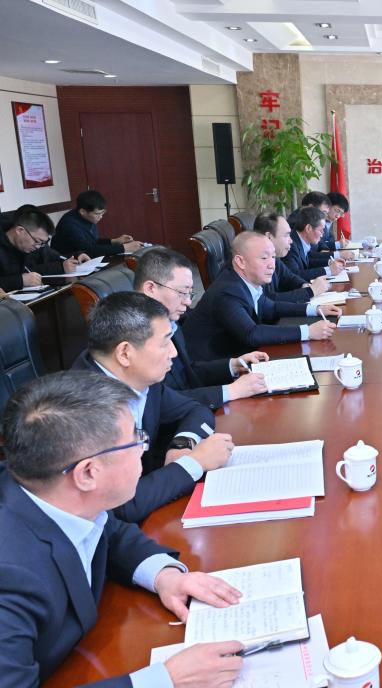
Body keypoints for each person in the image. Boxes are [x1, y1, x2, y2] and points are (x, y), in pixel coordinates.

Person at [0, 371, 244, 686]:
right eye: (134, 440)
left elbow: (107, 530)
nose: (144, 448)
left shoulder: (53, 495)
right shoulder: (11, 577)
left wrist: (165, 576)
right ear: (88, 473)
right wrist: (166, 680)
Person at [71, 292, 235, 522]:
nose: (174, 353)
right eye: (165, 342)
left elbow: (196, 410)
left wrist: (182, 445)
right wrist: (194, 463)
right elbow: (119, 507)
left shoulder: (140, 377)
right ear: (125, 353)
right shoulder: (82, 409)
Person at [134, 248, 269, 409]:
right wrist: (231, 391)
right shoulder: (133, 337)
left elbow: (188, 372)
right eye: (182, 292)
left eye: (190, 293)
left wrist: (233, 365)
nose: (188, 302)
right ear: (150, 288)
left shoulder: (171, 321)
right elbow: (160, 403)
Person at [184, 231, 340, 360]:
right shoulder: (228, 291)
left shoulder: (247, 282)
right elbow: (252, 333)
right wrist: (308, 332)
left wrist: (315, 309)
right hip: (211, 367)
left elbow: (272, 307)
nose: (272, 265)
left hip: (240, 355)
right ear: (240, 262)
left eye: (273, 257)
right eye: (264, 258)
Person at [0, 205, 89, 291]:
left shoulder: (31, 243)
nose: (38, 246)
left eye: (43, 243)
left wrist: (76, 256)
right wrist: (20, 280)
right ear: (20, 230)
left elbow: (54, 257)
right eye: (37, 241)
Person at [254, 212, 327, 302]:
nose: (291, 241)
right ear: (269, 237)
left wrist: (305, 285)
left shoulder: (275, 258)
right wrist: (310, 291)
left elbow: (290, 278)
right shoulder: (255, 263)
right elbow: (267, 301)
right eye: (286, 235)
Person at [53, 190, 142, 258]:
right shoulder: (69, 224)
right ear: (83, 211)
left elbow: (93, 242)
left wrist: (115, 241)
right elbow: (89, 250)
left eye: (103, 213)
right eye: (97, 214)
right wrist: (124, 248)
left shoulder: (87, 217)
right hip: (67, 263)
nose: (101, 217)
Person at [283, 207, 344, 281]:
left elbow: (308, 262)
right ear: (308, 228)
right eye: (321, 230)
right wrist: (328, 270)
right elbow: (294, 275)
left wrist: (330, 262)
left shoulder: (301, 240)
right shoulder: (291, 245)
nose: (322, 234)